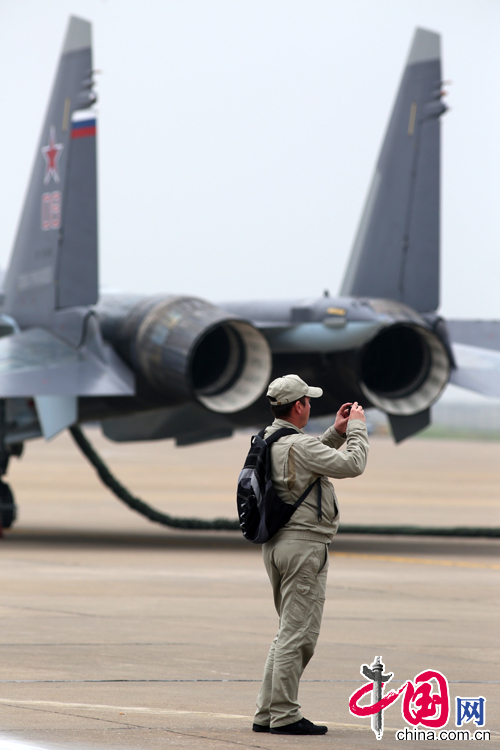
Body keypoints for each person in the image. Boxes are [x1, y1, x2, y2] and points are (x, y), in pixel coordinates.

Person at [253, 373, 369, 736]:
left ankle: (267, 712)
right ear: (299, 406)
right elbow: (353, 464)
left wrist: (334, 432)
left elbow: (307, 459)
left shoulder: (271, 438)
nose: (310, 406)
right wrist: (357, 430)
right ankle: (285, 715)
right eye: (308, 401)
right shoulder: (296, 445)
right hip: (303, 547)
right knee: (299, 635)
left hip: (278, 546)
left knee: (286, 632)